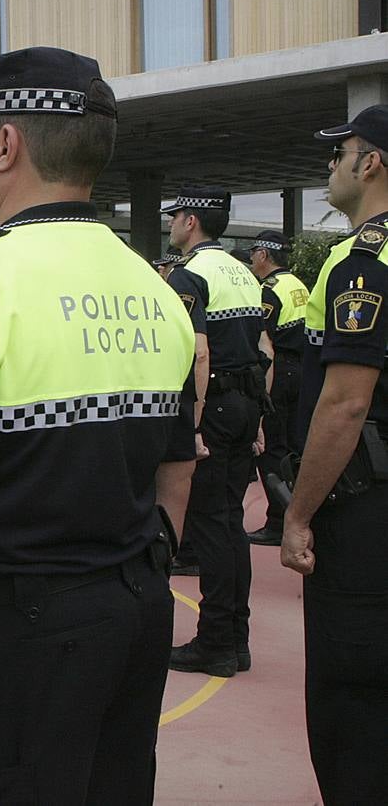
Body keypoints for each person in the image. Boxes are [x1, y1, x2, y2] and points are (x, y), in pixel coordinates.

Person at [0, 47, 196, 802]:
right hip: (134, 613)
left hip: (19, 640)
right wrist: (142, 564)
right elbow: (178, 463)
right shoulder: (153, 285)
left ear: (7, 143)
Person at [282, 104, 388, 805]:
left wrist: (296, 514)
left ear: (370, 163)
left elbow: (345, 405)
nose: (330, 164)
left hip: (365, 516)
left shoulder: (362, 264)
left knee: (352, 708)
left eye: (338, 152)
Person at [164, 184, 270, 678]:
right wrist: (261, 419)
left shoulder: (190, 275)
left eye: (175, 216)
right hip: (247, 405)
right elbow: (263, 346)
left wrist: (194, 423)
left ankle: (215, 644)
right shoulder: (244, 273)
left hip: (217, 409)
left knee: (210, 527)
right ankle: (235, 638)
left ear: (191, 220)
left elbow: (198, 353)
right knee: (231, 528)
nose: (171, 224)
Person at [247, 230, 308, 546]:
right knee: (294, 444)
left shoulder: (267, 291)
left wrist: (262, 397)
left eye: (253, 251)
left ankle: (278, 520)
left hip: (279, 372)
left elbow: (266, 345)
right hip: (301, 369)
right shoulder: (297, 284)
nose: (251, 257)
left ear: (264, 255)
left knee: (271, 448)